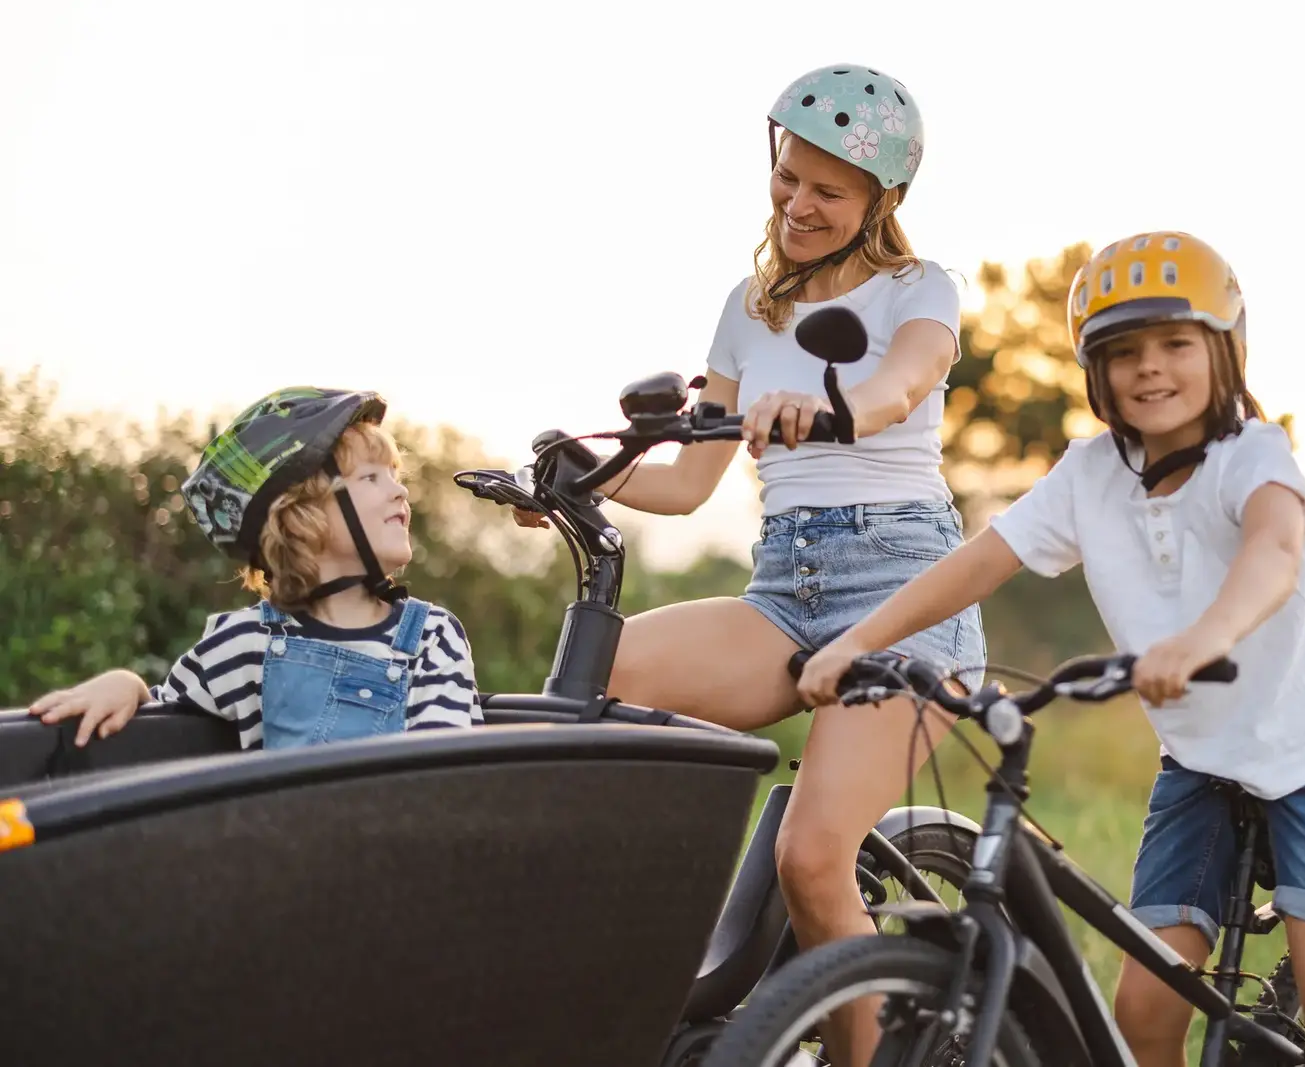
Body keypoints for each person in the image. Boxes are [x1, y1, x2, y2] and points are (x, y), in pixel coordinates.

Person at [801, 232, 1305, 1066]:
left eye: (1175, 344)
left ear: (1224, 350)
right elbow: (977, 563)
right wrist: (857, 640)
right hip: (1202, 763)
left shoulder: (1253, 457)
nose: (1149, 368)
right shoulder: (1091, 475)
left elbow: (1272, 553)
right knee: (1145, 1011)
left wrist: (1201, 639)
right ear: (1095, 371)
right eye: (1122, 353)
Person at [515, 64, 984, 1061]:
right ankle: (654, 962)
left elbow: (904, 384)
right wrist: (577, 479)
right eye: (790, 177)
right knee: (595, 682)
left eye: (829, 190)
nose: (799, 203)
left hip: (904, 591)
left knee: (814, 856)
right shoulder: (748, 304)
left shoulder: (919, 288)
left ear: (878, 202)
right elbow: (689, 484)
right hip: (785, 587)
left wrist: (834, 409)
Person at [30, 388, 482, 750]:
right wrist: (127, 686)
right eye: (371, 477)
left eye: (396, 476)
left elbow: (443, 780)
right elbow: (167, 728)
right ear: (302, 517)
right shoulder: (246, 645)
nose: (400, 492)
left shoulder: (431, 638)